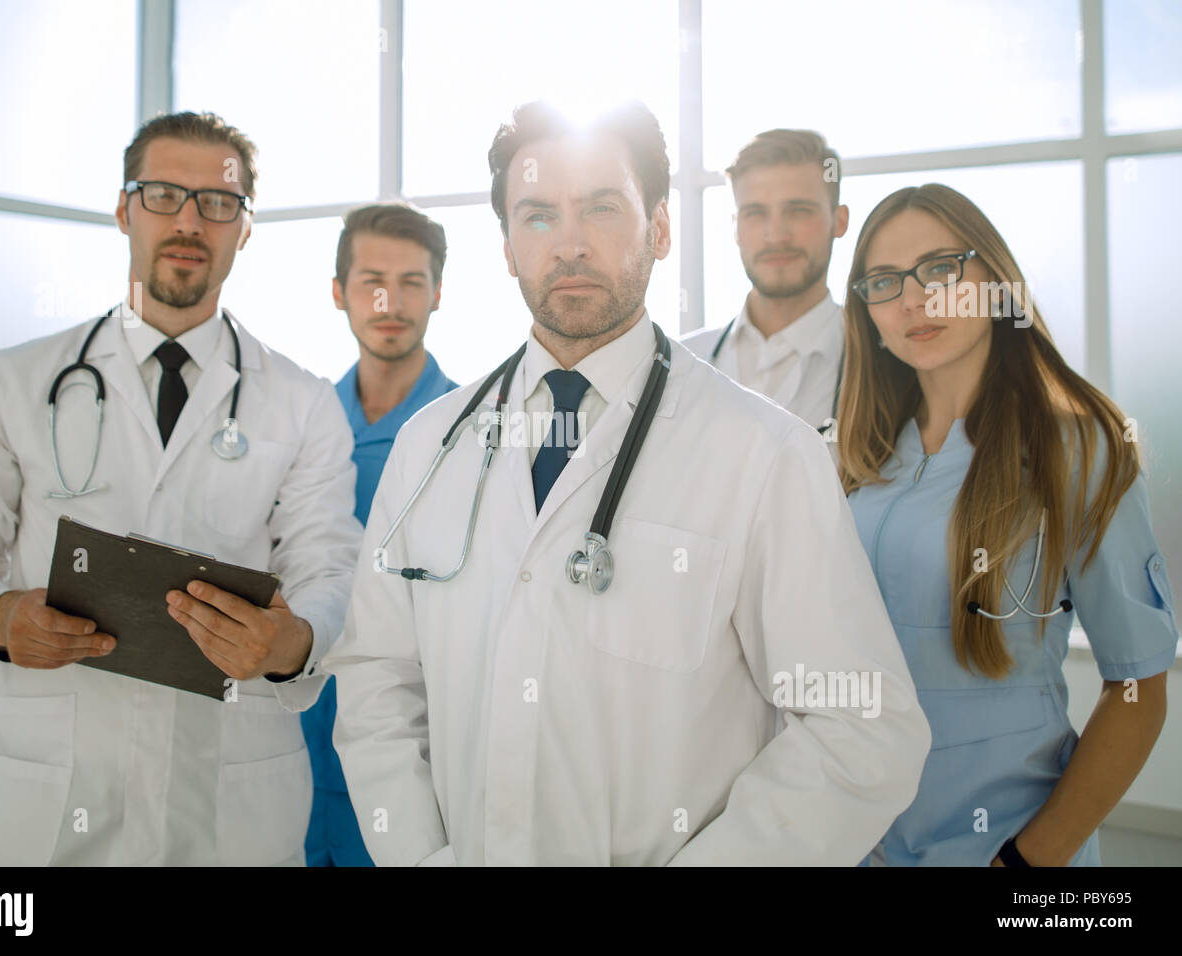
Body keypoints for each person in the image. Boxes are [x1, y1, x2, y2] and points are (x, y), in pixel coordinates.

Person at [322, 100, 931, 866]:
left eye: (602, 209)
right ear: (507, 245)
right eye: (537, 215)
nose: (569, 244)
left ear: (662, 228)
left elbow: (865, 729)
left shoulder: (763, 452)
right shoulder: (428, 446)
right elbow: (377, 682)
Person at [0, 111, 363, 866]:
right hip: (49, 799)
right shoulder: (15, 382)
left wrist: (294, 639)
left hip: (231, 799)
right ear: (123, 210)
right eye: (161, 195)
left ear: (245, 229)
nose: (189, 221)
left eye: (218, 203)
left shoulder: (303, 402)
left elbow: (332, 571)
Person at [840, 183, 1178, 866]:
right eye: (883, 282)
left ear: (993, 281)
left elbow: (1136, 692)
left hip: (1001, 850)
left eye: (939, 269)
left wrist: (1025, 862)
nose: (914, 300)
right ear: (867, 312)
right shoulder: (860, 452)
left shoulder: (1078, 452)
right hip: (858, 842)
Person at [301, 202, 457, 867]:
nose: (390, 301)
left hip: (416, 758)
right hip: (296, 745)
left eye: (412, 282)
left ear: (438, 293)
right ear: (338, 292)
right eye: (371, 281)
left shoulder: (472, 435)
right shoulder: (303, 430)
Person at [683, 129, 848, 437]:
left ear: (839, 221)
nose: (776, 235)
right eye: (755, 213)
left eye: (798, 211)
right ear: (735, 227)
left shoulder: (881, 365)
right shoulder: (679, 364)